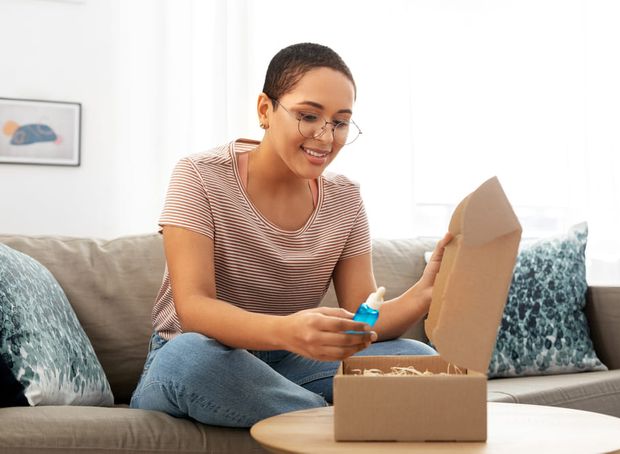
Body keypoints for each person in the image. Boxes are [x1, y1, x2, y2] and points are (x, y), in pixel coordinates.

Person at [129, 42, 452, 428]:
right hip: (203, 358)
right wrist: (288, 330)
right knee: (189, 358)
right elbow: (194, 309)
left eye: (340, 121)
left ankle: (310, 420)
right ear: (265, 110)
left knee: (415, 358)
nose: (326, 136)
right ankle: (341, 422)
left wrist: (425, 293)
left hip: (289, 365)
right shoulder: (200, 175)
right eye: (308, 115)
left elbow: (362, 321)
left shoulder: (345, 197)